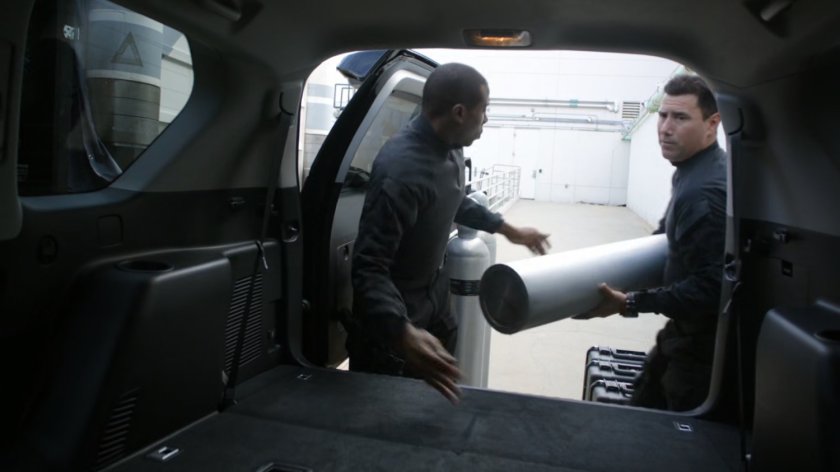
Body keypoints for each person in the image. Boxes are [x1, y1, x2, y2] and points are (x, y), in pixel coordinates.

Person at [348, 63, 550, 403]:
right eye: (484, 110)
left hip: (435, 301)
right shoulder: (400, 172)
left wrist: (507, 229)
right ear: (459, 112)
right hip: (395, 323)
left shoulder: (451, 146)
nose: (486, 119)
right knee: (386, 417)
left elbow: (454, 199)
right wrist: (403, 332)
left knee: (431, 407)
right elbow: (368, 267)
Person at [578, 74, 726, 411]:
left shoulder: (705, 193)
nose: (665, 127)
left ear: (712, 124)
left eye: (681, 117)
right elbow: (665, 241)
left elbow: (710, 288)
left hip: (700, 351)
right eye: (663, 115)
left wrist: (630, 303)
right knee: (641, 408)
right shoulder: (690, 170)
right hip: (680, 335)